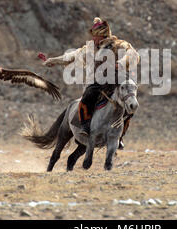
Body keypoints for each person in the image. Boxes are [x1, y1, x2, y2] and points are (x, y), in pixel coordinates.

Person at [43, 17, 139, 149]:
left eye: (95, 36)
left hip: (113, 84)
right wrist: (53, 60)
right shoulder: (88, 49)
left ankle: (120, 135)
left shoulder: (119, 45)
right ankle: (85, 128)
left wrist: (121, 63)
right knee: (88, 97)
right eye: (93, 36)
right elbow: (70, 56)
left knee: (129, 102)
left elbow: (132, 53)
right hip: (94, 85)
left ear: (103, 35)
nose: (93, 39)